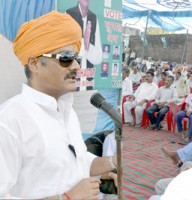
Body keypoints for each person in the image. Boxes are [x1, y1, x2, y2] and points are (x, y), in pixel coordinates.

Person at [0, 11, 117, 199]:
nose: (76, 67)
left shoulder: (67, 112)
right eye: (65, 59)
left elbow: (77, 162)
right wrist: (66, 197)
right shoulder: (9, 121)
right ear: (35, 64)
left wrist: (112, 163)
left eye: (76, 59)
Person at [66, 0, 102, 90]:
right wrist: (83, 42)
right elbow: (65, 45)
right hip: (71, 77)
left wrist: (88, 46)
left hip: (88, 81)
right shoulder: (68, 13)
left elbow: (98, 56)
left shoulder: (93, 17)